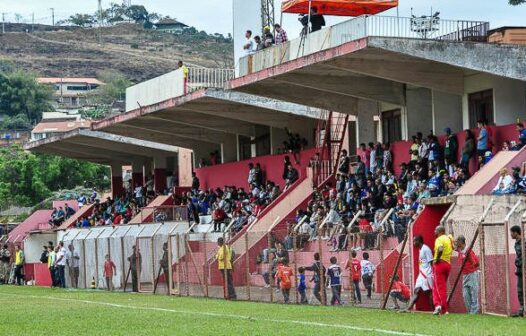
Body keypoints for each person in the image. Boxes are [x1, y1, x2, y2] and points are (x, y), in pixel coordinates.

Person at [403, 235, 434, 312]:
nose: (413, 243)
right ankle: (408, 309)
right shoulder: (421, 249)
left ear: (418, 241)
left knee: (429, 292)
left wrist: (431, 274)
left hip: (427, 274)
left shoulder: (426, 249)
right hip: (421, 274)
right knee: (416, 291)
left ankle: (434, 310)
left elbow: (431, 262)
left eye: (414, 241)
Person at [454, 235, 480, 314]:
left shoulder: (468, 251)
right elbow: (452, 245)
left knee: (474, 294)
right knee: (465, 295)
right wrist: (450, 225)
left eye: (457, 242)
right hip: (465, 275)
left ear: (461, 242)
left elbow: (476, 263)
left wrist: (473, 267)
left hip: (472, 274)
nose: (455, 243)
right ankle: (470, 312)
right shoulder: (460, 250)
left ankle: (474, 313)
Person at [432, 226, 453, 315]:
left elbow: (440, 249)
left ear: (440, 231)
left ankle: (443, 309)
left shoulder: (439, 239)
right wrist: (450, 224)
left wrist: (437, 258)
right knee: (439, 286)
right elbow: (452, 234)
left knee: (440, 287)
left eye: (435, 230)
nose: (434, 231)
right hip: (447, 264)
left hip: (439, 264)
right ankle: (437, 306)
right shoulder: (448, 238)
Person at [510, 225, 525, 317]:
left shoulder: (524, 242)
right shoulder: (516, 243)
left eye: (511, 232)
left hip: (524, 269)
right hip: (520, 270)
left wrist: (520, 263)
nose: (511, 234)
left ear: (516, 232)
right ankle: (522, 310)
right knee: (520, 290)